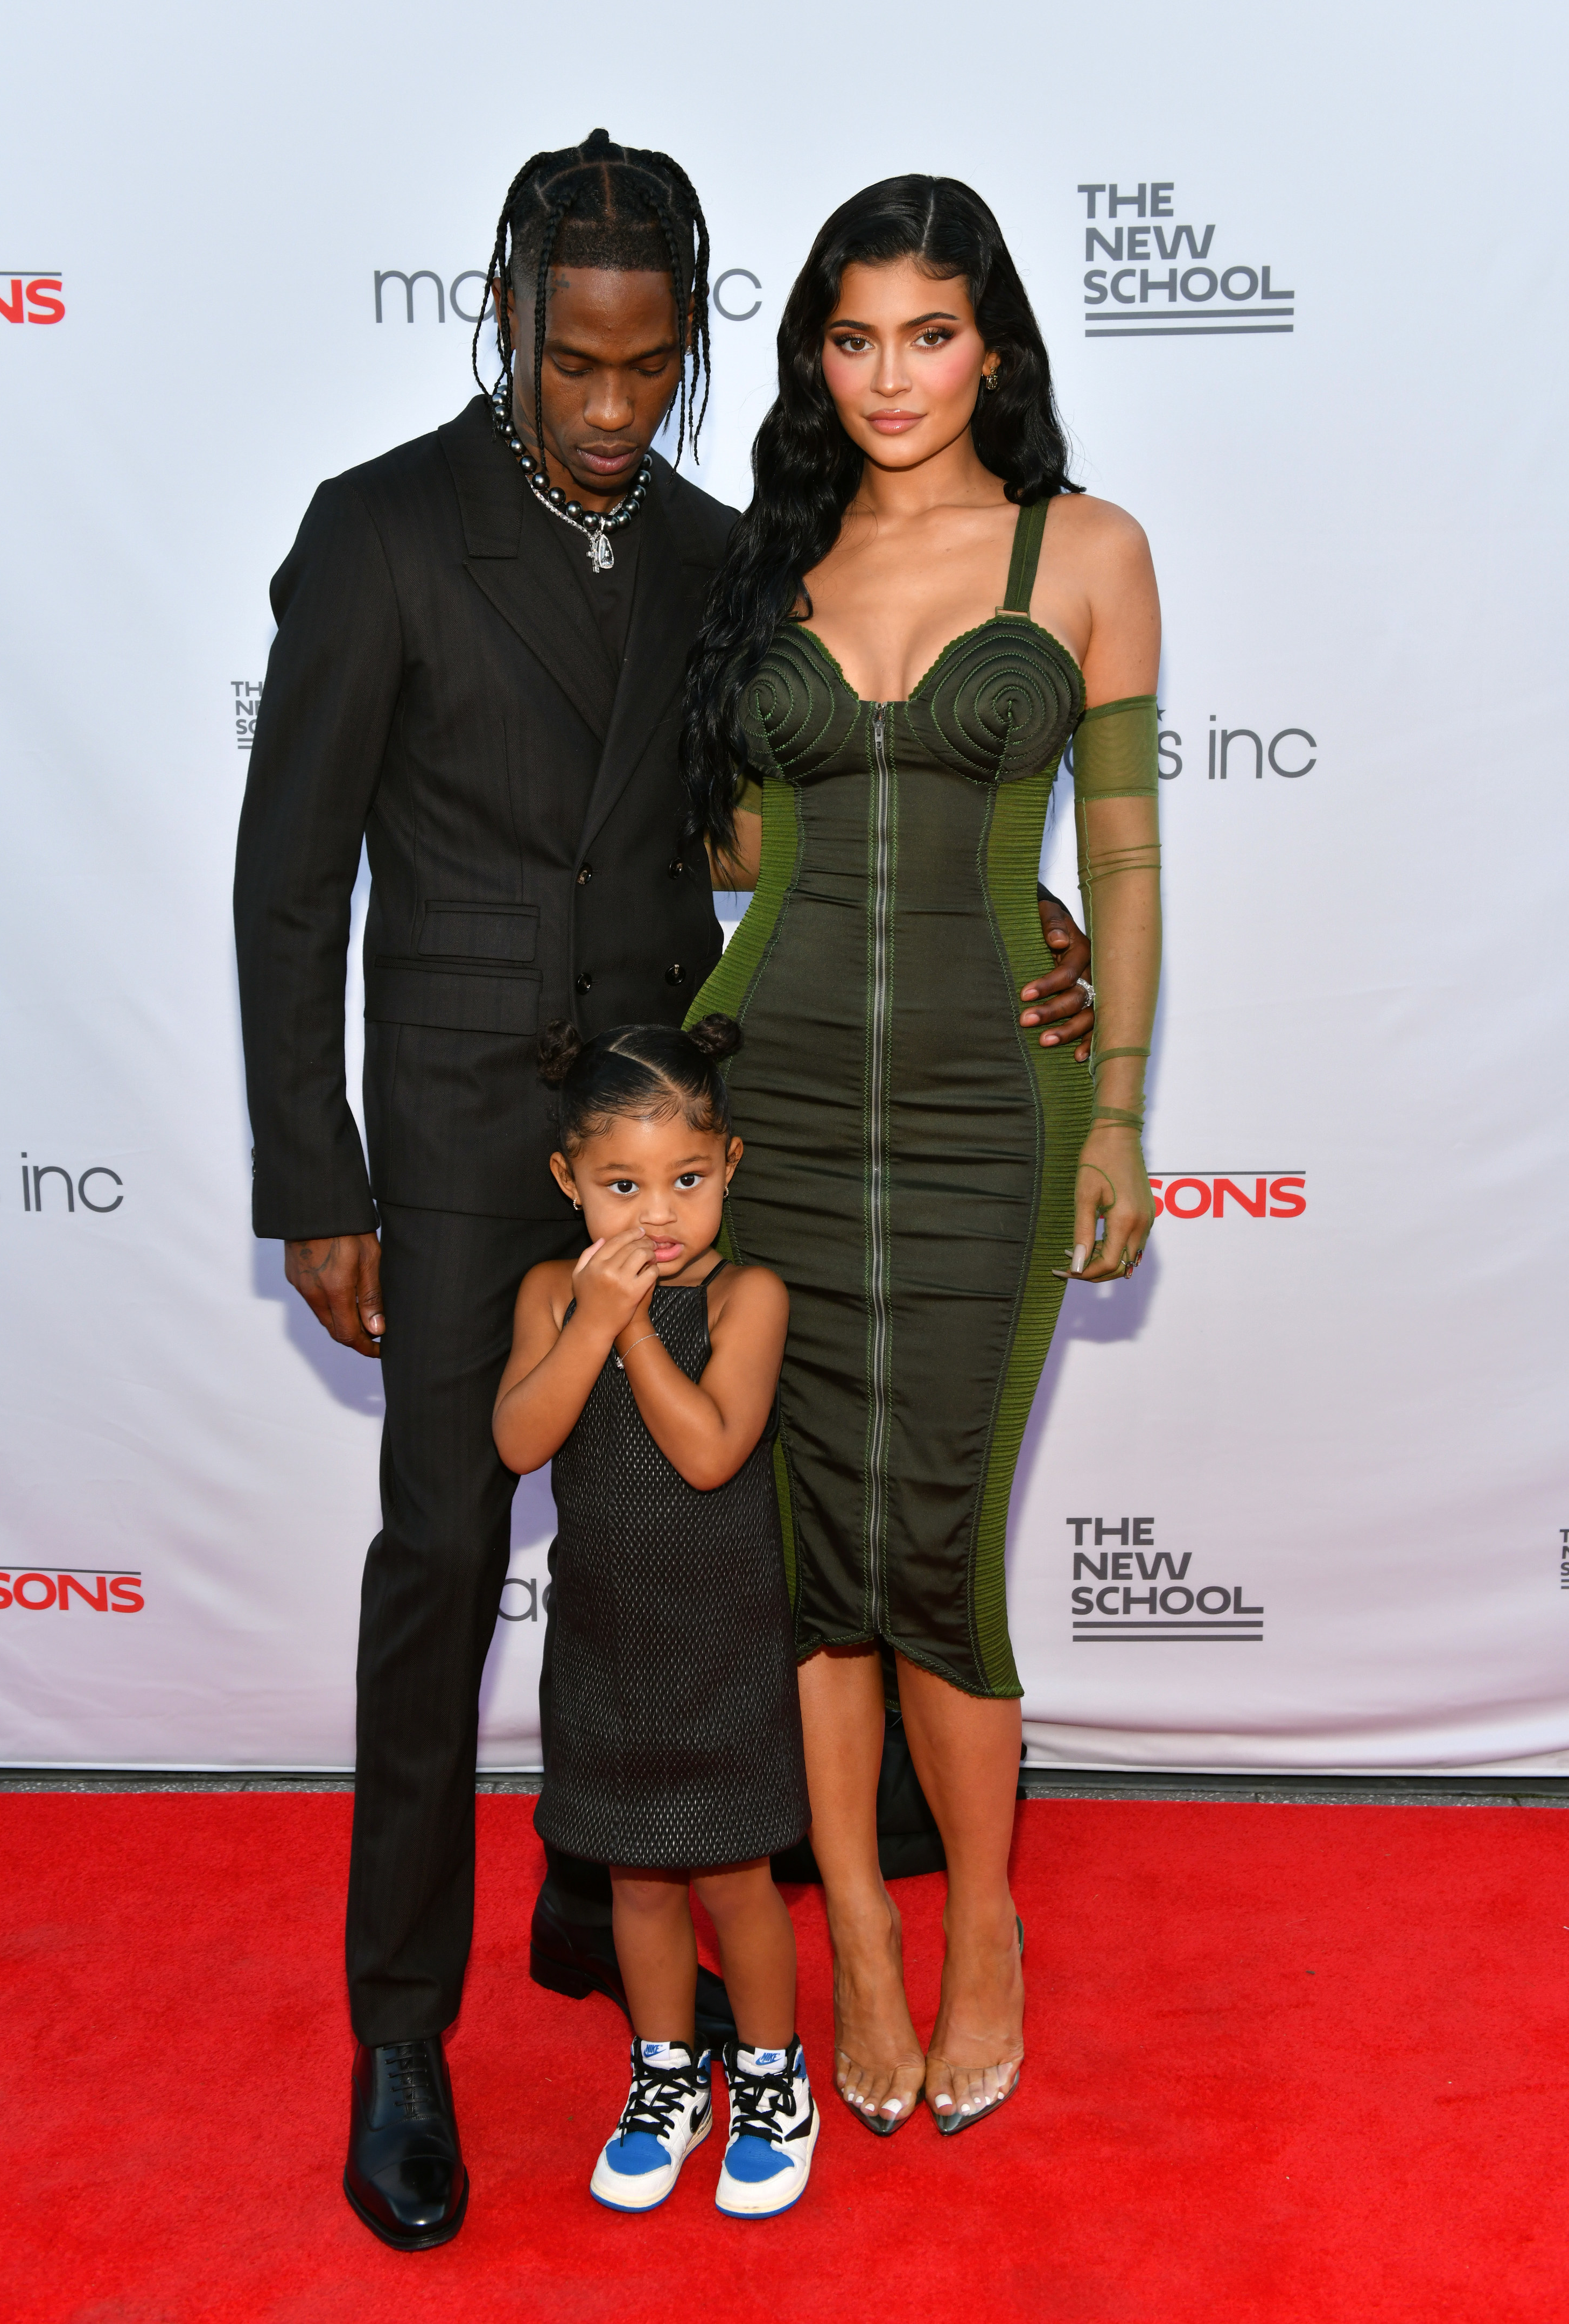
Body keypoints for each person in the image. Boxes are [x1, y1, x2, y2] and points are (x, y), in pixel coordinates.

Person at [234, 129, 1094, 2248]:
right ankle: (401, 2038)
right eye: (572, 367)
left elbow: (766, 834)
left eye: (645, 370)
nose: (610, 412)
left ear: (690, 349)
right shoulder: (378, 535)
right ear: (506, 321)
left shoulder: (726, 552)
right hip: (445, 1141)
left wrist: (1026, 920)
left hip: (684, 1142)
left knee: (695, 1542)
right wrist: (312, 1168)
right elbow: (290, 879)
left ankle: (617, 1887)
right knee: (444, 1558)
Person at [682, 174, 1162, 2140]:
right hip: (768, 1098)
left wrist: (1118, 1096)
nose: (894, 376)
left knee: (943, 1546)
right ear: (816, 353)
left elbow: (1122, 852)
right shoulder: (762, 567)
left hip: (995, 1119)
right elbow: (729, 849)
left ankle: (984, 1921)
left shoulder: (1089, 549)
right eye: (855, 337)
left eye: (932, 334)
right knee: (807, 1559)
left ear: (996, 347)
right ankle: (858, 1934)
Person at [493, 1016, 817, 2219]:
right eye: (621, 1186)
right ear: (568, 1181)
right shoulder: (547, 1292)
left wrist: (627, 1324)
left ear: (731, 1166)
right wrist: (587, 1321)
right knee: (636, 1883)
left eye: (686, 1180)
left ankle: (774, 2081)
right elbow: (521, 1441)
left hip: (723, 1647)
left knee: (738, 1881)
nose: (656, 1216)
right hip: (609, 1647)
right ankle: (667, 2078)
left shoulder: (750, 1294)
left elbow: (711, 1452)